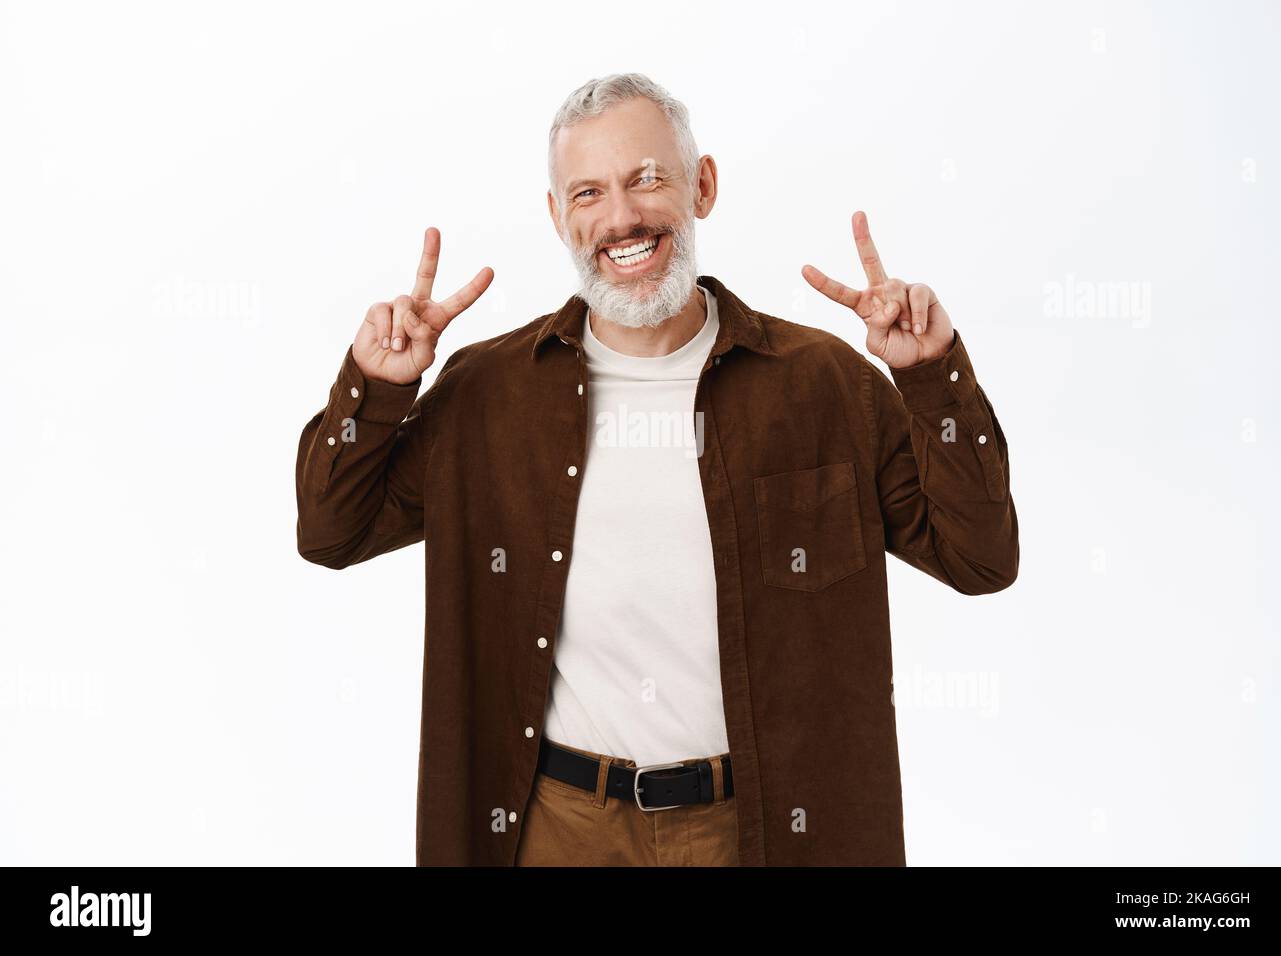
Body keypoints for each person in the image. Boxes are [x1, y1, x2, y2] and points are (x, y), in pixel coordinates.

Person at [295, 72, 1019, 866]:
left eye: (647, 178)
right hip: (553, 829)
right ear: (556, 217)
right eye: (588, 193)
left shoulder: (824, 385)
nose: (623, 217)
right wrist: (378, 390)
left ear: (701, 186)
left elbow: (978, 557)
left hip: (756, 832)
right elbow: (333, 530)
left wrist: (931, 376)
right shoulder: (485, 394)